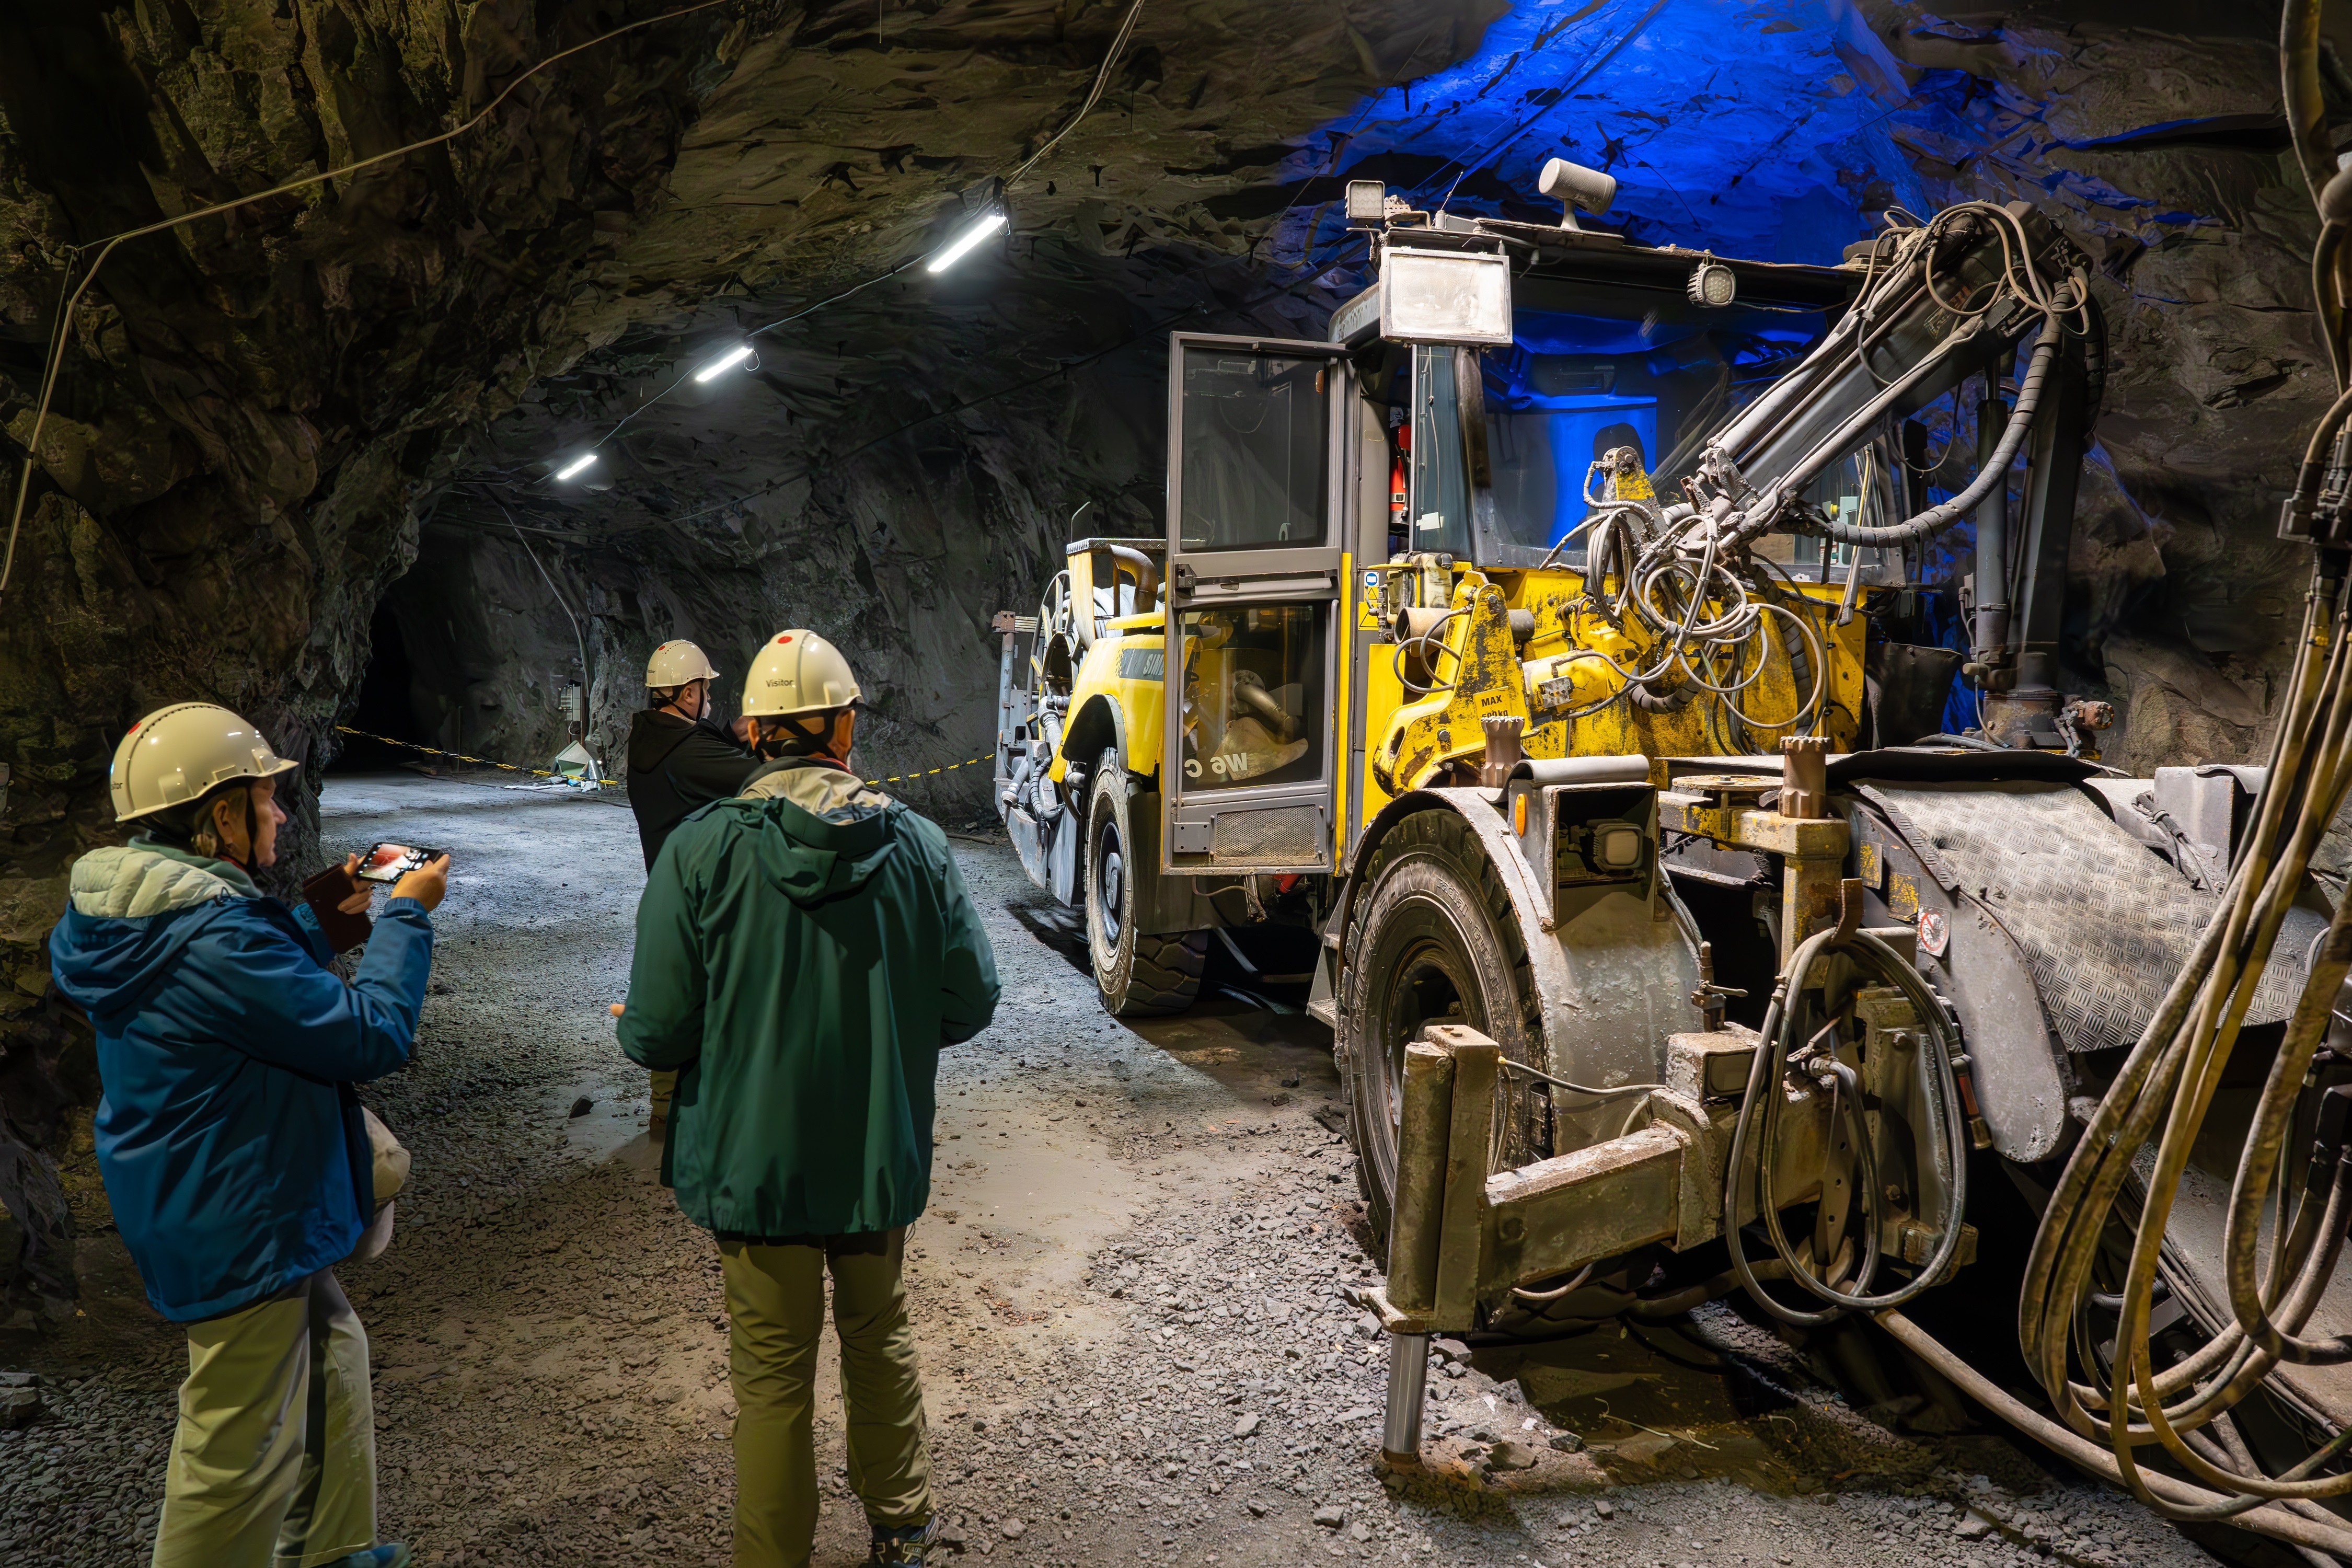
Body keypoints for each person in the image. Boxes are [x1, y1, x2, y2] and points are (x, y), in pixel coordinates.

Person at [613, 630, 999, 1568]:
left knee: (773, 1381)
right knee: (878, 1335)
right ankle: (901, 1528)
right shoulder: (917, 846)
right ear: (846, 729)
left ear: (751, 728)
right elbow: (971, 998)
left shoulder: (699, 854)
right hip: (875, 1157)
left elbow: (656, 1033)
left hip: (754, 1166)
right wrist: (889, 1034)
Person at [49, 703, 448, 1568]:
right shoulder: (210, 934)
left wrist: (330, 916)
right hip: (241, 1211)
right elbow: (369, 1032)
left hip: (220, 1190)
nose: (279, 814)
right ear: (219, 815)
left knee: (334, 1359)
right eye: (265, 799)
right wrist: (406, 917)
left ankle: (334, 1550)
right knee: (233, 1463)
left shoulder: (154, 914)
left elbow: (244, 982)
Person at [625, 638, 762, 1133]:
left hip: (665, 892)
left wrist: (731, 733)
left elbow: (699, 753)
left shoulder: (650, 736)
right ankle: (709, 1117)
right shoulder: (688, 751)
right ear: (687, 695)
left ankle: (664, 1107)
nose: (708, 697)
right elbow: (760, 779)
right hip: (702, 901)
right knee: (711, 1001)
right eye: (704, 688)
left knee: (672, 997)